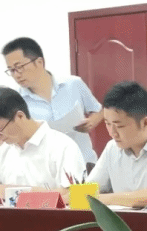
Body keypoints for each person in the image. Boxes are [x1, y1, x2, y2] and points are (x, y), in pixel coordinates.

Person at [3, 37, 103, 169]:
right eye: (11, 70)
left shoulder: (73, 84)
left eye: (19, 67)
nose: (16, 75)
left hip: (84, 162)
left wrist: (92, 121)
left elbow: (98, 110)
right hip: (46, 169)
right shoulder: (16, 100)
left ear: (39, 62)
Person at [0, 87, 85, 200]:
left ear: (20, 116)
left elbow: (74, 194)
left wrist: (16, 192)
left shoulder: (63, 146)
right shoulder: (4, 149)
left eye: (0, 129)